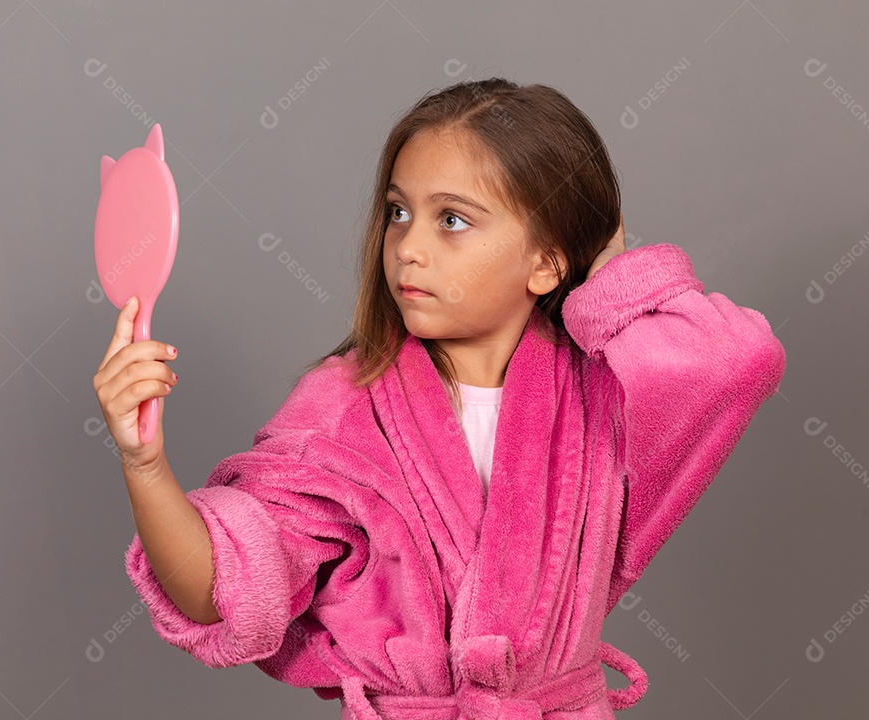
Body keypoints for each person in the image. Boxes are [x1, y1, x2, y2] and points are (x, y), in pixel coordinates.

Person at [93, 78, 786, 719]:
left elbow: (738, 362)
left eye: (451, 220)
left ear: (546, 261)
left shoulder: (601, 394)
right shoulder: (344, 406)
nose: (408, 249)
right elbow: (227, 590)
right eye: (399, 212)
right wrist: (145, 465)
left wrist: (612, 277)